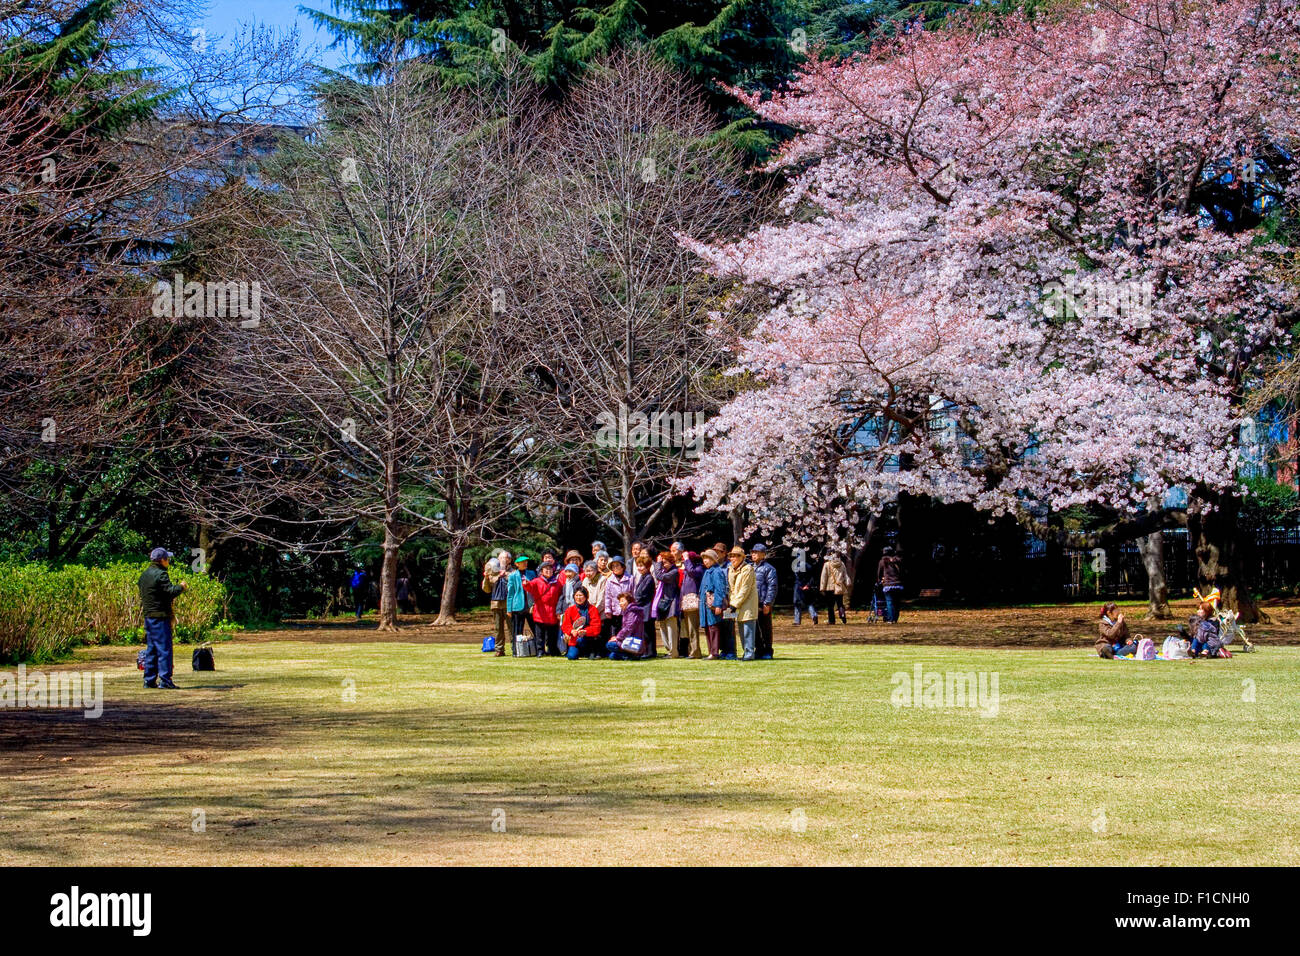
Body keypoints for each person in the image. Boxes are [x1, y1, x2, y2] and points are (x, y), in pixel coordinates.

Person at [138, 547, 187, 689]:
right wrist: (181, 587)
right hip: (160, 616)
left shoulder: (144, 574)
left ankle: (149, 679)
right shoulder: (161, 575)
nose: (169, 561)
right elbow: (169, 592)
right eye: (168, 559)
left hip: (149, 616)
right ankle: (165, 680)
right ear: (162, 560)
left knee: (152, 649)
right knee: (164, 649)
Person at [525, 561, 564, 655]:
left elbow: (561, 596)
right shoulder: (537, 581)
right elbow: (529, 587)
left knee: (552, 634)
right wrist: (526, 584)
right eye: (546, 569)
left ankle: (552, 650)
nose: (548, 570)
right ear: (541, 571)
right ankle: (540, 651)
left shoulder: (557, 583)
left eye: (550, 569)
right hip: (540, 612)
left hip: (552, 612)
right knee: (540, 634)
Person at [727, 546, 759, 660]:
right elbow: (731, 588)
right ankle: (744, 653)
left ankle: (750, 654)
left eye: (735, 556)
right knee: (740, 630)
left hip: (747, 604)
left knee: (748, 630)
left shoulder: (748, 569)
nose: (732, 558)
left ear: (741, 557)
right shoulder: (730, 569)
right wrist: (731, 604)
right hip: (735, 604)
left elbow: (744, 589)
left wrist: (733, 605)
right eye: (731, 556)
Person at [699, 549, 729, 659]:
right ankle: (710, 651)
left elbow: (720, 589)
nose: (705, 561)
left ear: (713, 559)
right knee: (708, 627)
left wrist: (718, 605)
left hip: (712, 605)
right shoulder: (707, 571)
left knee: (713, 627)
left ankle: (715, 652)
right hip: (705, 605)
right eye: (704, 559)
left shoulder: (717, 571)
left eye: (707, 558)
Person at [651, 550, 682, 658]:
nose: (663, 565)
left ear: (671, 562)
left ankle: (674, 652)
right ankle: (669, 650)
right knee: (663, 627)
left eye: (664, 562)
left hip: (672, 603)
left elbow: (660, 576)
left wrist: (658, 564)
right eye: (662, 563)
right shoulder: (665, 571)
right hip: (663, 603)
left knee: (671, 629)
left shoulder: (674, 572)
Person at [562, 587, 603, 659]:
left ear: (586, 596)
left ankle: (592, 651)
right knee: (571, 657)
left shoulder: (592, 609)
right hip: (575, 639)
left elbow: (597, 627)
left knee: (590, 655)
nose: (578, 598)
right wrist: (571, 631)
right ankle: (579, 652)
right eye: (576, 595)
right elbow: (565, 625)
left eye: (581, 595)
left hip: (590, 639)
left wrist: (585, 631)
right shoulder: (570, 610)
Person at [752, 543, 777, 659]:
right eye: (753, 552)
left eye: (756, 552)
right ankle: (758, 649)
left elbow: (772, 586)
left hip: (763, 602)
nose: (754, 554)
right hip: (752, 603)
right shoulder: (750, 568)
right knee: (754, 628)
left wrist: (768, 602)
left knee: (765, 627)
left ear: (763, 554)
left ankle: (768, 650)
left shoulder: (769, 569)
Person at [679, 549, 705, 658]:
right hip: (686, 601)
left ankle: (695, 652)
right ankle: (692, 650)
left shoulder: (699, 568)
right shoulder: (688, 570)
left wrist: (687, 560)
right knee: (688, 628)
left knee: (693, 628)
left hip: (693, 602)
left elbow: (692, 572)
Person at [607, 591, 647, 660]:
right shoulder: (628, 611)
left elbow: (628, 628)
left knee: (609, 645)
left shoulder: (632, 612)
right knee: (612, 656)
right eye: (619, 601)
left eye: (622, 601)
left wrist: (618, 637)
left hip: (633, 642)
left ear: (629, 601)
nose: (620, 603)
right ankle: (629, 655)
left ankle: (632, 655)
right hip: (627, 639)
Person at [602, 556, 633, 643]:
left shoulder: (630, 578)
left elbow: (633, 594)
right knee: (615, 633)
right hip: (615, 611)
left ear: (623, 567)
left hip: (627, 610)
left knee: (627, 631)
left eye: (617, 565)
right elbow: (607, 596)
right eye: (613, 566)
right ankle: (615, 649)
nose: (615, 568)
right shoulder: (609, 580)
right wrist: (608, 610)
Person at [633, 552, 658, 656]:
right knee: (646, 631)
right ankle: (647, 651)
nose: (639, 568)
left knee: (648, 631)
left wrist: (634, 602)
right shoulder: (643, 577)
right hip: (642, 608)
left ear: (647, 567)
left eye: (641, 566)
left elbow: (642, 594)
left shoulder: (649, 578)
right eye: (638, 566)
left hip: (646, 607)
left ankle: (650, 652)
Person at [485, 556, 509, 657]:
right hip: (496, 604)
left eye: (506, 558)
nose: (503, 560)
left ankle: (515, 648)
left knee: (511, 627)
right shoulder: (492, 572)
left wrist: (505, 575)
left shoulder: (512, 571)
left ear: (509, 560)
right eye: (501, 558)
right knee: (498, 628)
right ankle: (499, 649)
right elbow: (486, 589)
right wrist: (486, 578)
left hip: (509, 604)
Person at [820, 551, 850, 624]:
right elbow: (845, 575)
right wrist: (847, 583)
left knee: (830, 605)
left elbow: (824, 577)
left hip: (830, 587)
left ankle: (831, 620)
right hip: (839, 587)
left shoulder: (827, 565)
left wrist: (822, 588)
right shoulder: (842, 564)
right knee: (840, 603)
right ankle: (842, 615)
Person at [877, 546, 904, 623]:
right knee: (897, 602)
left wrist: (879, 581)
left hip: (888, 584)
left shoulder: (882, 561)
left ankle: (891, 619)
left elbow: (879, 573)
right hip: (898, 584)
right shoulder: (898, 560)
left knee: (889, 601)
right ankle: (895, 618)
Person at [507, 555, 529, 641]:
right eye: (522, 562)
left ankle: (538, 649)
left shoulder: (531, 573)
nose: (525, 563)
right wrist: (509, 609)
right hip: (518, 606)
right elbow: (510, 593)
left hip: (530, 605)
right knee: (517, 629)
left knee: (535, 628)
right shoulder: (513, 576)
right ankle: (516, 650)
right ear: (517, 564)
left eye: (526, 562)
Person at [793, 560, 818, 625]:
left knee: (797, 602)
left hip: (799, 586)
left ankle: (797, 620)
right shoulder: (808, 565)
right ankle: (814, 615)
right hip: (806, 585)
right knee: (809, 602)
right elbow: (812, 577)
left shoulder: (797, 565)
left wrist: (804, 586)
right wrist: (808, 585)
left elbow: (798, 577)